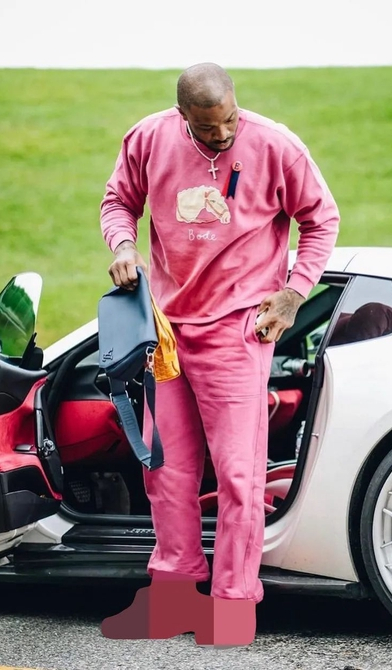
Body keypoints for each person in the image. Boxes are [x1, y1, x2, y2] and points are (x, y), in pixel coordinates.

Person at [99, 62, 340, 646]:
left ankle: (232, 610)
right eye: (209, 127)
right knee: (165, 471)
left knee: (238, 476)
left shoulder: (277, 146)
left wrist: (293, 294)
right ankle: (174, 599)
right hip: (166, 333)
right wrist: (124, 246)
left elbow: (321, 220)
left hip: (238, 331)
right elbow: (118, 202)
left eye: (230, 119)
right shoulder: (148, 138)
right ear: (183, 115)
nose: (224, 134)